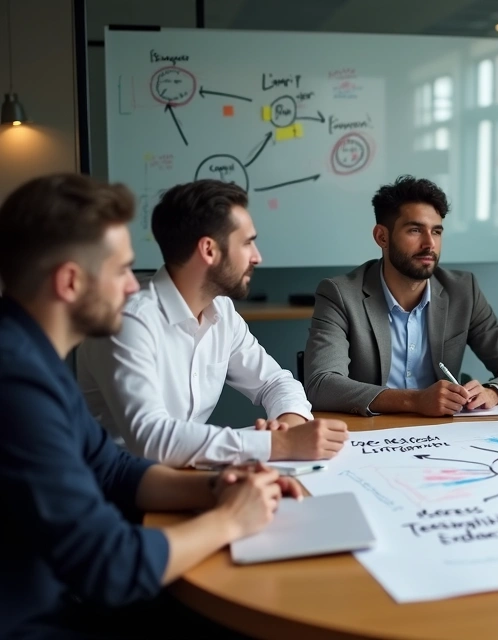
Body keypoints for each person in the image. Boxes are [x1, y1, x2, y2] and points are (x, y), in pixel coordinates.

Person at [0, 173, 299, 638]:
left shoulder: (32, 354)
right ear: (71, 282)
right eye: (120, 270)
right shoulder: (15, 380)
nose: (131, 287)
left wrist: (218, 487)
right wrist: (228, 519)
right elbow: (109, 565)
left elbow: (113, 468)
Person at [76, 179, 348, 468]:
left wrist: (289, 424)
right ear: (208, 250)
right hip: (117, 492)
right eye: (247, 243)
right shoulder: (129, 320)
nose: (257, 256)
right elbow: (150, 438)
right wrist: (276, 444)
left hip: (183, 478)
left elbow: (275, 381)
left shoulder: (222, 311)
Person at [304, 175, 498, 417]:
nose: (429, 243)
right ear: (382, 237)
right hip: (371, 434)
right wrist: (415, 401)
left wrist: (494, 391)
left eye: (436, 232)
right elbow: (321, 384)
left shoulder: (462, 290)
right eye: (415, 230)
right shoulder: (340, 294)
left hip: (444, 435)